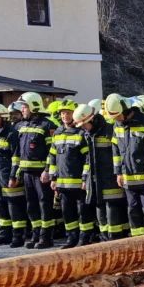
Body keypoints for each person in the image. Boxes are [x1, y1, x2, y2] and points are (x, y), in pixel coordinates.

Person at [106, 94, 144, 237]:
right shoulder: (117, 125)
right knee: (133, 210)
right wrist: (118, 172)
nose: (116, 119)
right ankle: (137, 242)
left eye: (117, 115)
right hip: (128, 177)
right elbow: (116, 150)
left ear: (125, 110)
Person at [77, 103, 128, 240]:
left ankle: (115, 240)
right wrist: (84, 179)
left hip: (110, 179)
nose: (82, 128)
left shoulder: (109, 131)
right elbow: (88, 159)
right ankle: (105, 239)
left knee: (113, 211)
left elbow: (120, 154)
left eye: (84, 124)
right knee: (100, 212)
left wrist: (119, 173)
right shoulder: (88, 134)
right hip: (95, 181)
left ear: (91, 120)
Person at [15, 92, 56, 249]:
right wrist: (18, 171)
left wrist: (47, 171)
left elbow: (52, 152)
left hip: (41, 173)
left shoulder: (48, 125)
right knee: (31, 205)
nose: (22, 109)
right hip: (26, 172)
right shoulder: (22, 126)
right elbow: (18, 151)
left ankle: (46, 237)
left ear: (33, 106)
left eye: (25, 106)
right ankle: (36, 234)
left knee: (44, 204)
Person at [47, 102, 89, 248]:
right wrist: (53, 177)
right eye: (63, 113)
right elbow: (52, 157)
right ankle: (71, 239)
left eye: (68, 113)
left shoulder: (81, 133)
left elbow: (87, 159)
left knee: (82, 211)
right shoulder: (57, 133)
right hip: (62, 183)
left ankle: (84, 239)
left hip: (78, 182)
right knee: (67, 212)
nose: (65, 115)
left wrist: (85, 178)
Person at [0, 103, 27, 247]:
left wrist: (13, 176)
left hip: (8, 177)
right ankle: (4, 233)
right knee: (0, 207)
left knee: (14, 207)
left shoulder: (12, 134)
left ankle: (18, 236)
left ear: (3, 118)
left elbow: (16, 157)